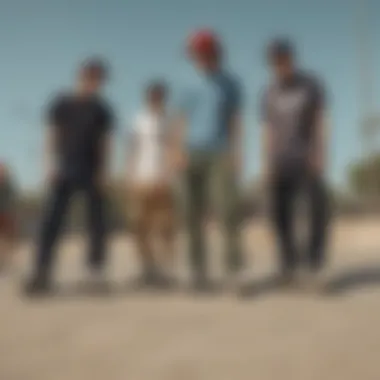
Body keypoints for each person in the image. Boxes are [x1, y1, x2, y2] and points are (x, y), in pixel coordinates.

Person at [24, 58, 114, 294]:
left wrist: (104, 172)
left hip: (92, 171)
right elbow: (51, 135)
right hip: (64, 169)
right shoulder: (61, 103)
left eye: (99, 78)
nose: (94, 81)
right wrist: (48, 165)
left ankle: (95, 273)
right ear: (80, 75)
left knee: (97, 222)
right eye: (90, 76)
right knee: (51, 220)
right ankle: (42, 272)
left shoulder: (102, 109)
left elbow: (106, 142)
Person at [173, 29, 244, 290]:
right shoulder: (185, 83)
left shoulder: (231, 84)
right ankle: (197, 271)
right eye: (198, 51)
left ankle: (234, 270)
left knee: (228, 210)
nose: (203, 55)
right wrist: (177, 151)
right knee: (190, 213)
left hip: (219, 153)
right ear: (193, 54)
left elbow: (235, 120)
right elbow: (180, 119)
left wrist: (236, 153)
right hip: (190, 153)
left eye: (207, 50)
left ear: (217, 51)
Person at [261, 38, 329, 288]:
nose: (280, 65)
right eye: (275, 61)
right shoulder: (269, 92)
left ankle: (314, 265)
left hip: (306, 157)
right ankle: (287, 266)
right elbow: (267, 129)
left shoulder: (310, 85)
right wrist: (266, 162)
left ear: (291, 58)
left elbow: (321, 120)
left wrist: (320, 152)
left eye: (283, 59)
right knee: (280, 216)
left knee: (316, 210)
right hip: (280, 160)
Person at [126, 81, 177, 287]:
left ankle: (166, 270)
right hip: (140, 180)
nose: (156, 99)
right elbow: (132, 148)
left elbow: (175, 149)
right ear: (147, 97)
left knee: (165, 227)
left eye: (159, 96)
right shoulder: (138, 120)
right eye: (152, 96)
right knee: (138, 226)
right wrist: (129, 176)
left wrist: (168, 175)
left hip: (164, 181)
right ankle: (147, 269)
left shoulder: (171, 121)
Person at [0, 162, 17, 272]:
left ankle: (6, 259)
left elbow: (10, 200)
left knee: (7, 236)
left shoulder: (7, 186)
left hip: (6, 213)